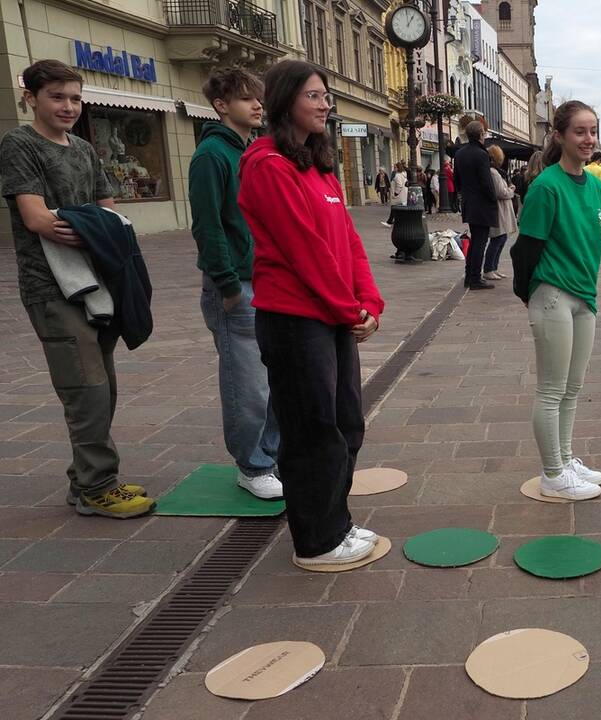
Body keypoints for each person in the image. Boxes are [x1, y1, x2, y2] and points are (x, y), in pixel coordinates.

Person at [237, 60, 384, 569]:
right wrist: (349, 310)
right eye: (314, 96)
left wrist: (370, 303)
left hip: (331, 317)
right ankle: (316, 540)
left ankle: (335, 521)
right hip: (295, 319)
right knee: (311, 429)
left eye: (326, 96)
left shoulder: (319, 164)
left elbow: (346, 240)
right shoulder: (267, 163)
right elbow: (305, 251)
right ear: (285, 101)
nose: (325, 104)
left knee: (347, 422)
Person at [1, 61, 154, 518]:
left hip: (95, 281)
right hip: (50, 286)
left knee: (102, 387)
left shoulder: (85, 150)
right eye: (56, 97)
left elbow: (109, 217)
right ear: (30, 97)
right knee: (85, 388)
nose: (68, 106)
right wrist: (83, 225)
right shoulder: (19, 144)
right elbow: (37, 219)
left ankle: (86, 481)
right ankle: (97, 487)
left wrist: (82, 225)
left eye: (74, 97)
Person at [189, 66, 282, 500]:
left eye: (258, 97)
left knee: (273, 377)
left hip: (262, 279)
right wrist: (226, 285)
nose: (258, 104)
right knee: (247, 383)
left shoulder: (249, 149)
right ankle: (252, 464)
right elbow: (208, 226)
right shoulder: (212, 154)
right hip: (236, 286)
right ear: (222, 106)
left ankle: (271, 455)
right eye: (247, 98)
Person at [511, 100, 601, 501]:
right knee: (551, 389)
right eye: (579, 132)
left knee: (573, 386)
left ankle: (566, 459)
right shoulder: (546, 186)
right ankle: (552, 473)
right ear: (560, 136)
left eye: (593, 131)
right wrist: (530, 293)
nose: (588, 140)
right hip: (553, 293)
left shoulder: (599, 187)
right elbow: (525, 250)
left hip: (585, 295)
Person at [455, 121, 499, 290]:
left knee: (475, 241)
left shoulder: (460, 153)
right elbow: (486, 182)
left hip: (469, 202)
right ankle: (475, 278)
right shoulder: (481, 155)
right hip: (482, 204)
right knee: (480, 242)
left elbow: (457, 180)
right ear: (481, 135)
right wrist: (493, 199)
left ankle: (469, 276)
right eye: (484, 134)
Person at [484, 145, 516, 281]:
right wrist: (511, 190)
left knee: (501, 239)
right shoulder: (493, 173)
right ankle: (488, 269)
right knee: (498, 239)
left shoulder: (496, 172)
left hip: (502, 209)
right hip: (499, 210)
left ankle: (493, 268)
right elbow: (501, 192)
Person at [380, 161, 408, 227]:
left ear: (398, 168)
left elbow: (399, 185)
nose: (394, 169)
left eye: (395, 167)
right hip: (403, 195)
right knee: (396, 209)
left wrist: (396, 193)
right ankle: (391, 221)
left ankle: (390, 222)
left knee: (394, 208)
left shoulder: (398, 175)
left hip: (398, 196)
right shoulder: (404, 174)